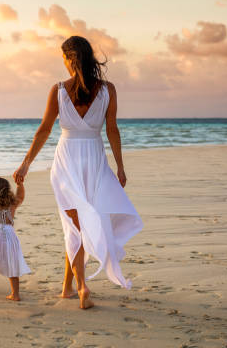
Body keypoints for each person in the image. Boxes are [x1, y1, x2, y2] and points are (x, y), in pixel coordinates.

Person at [13, 35, 143, 309]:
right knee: (78, 224)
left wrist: (26, 163)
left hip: (67, 161)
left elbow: (45, 130)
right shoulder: (108, 90)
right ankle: (68, 287)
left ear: (71, 59)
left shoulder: (59, 89)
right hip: (94, 161)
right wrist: (120, 166)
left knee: (74, 225)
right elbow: (111, 130)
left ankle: (80, 286)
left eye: (63, 58)